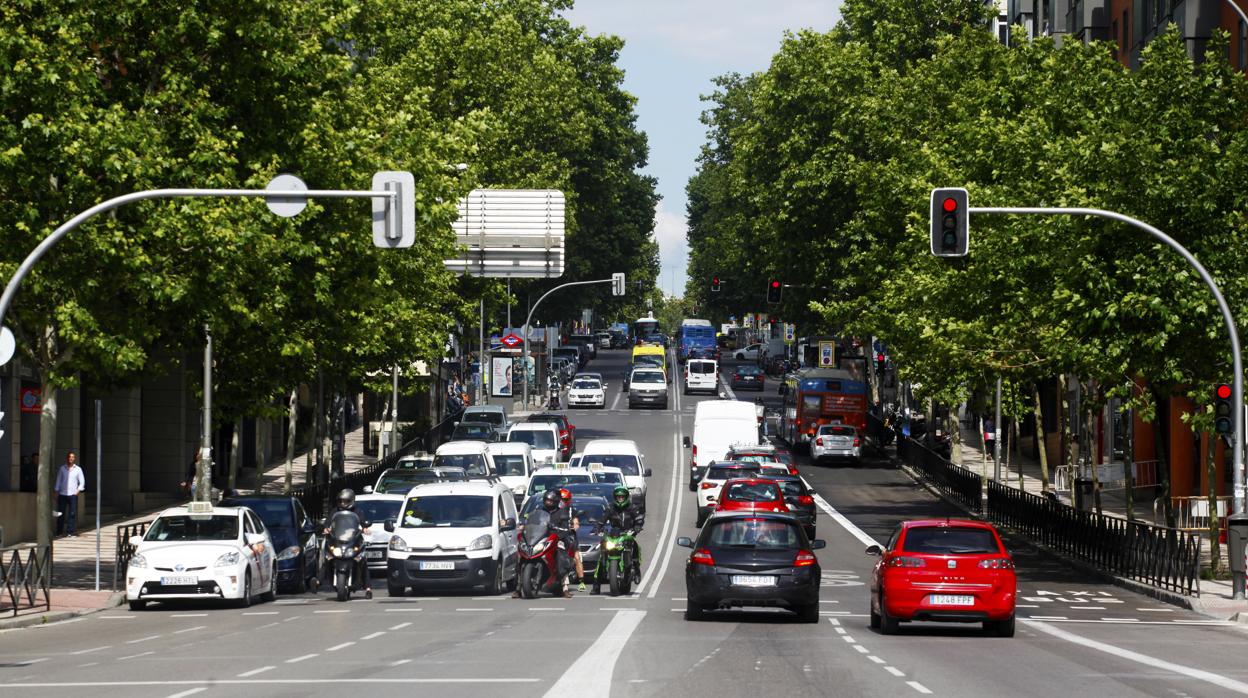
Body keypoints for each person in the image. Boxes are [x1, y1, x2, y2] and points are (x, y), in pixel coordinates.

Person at [592, 486, 644, 595]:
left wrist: (637, 526)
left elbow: (639, 518)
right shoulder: (610, 508)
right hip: (614, 534)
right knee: (602, 555)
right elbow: (601, 521)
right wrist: (597, 528)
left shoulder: (632, 508)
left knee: (634, 545)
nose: (620, 499)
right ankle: (596, 586)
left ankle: (637, 569)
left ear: (626, 497)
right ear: (615, 497)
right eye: (618, 497)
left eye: (622, 497)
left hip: (628, 533)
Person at [323, 488, 372, 599]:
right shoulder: (335, 511)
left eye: (346, 501)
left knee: (362, 560)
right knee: (327, 557)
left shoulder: (357, 511)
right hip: (338, 541)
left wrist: (365, 528)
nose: (342, 503)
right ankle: (318, 581)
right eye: (340, 501)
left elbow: (363, 522)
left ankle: (368, 588)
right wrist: (326, 528)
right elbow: (328, 522)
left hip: (353, 540)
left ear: (352, 501)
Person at [550, 488, 583, 596]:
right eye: (560, 499)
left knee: (568, 558)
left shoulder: (570, 510)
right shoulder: (550, 509)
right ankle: (520, 586)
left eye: (564, 499)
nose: (562, 501)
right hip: (551, 537)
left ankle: (574, 584)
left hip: (566, 537)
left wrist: (574, 526)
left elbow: (576, 522)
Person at [55, 451, 85, 537]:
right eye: (69, 457)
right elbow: (59, 480)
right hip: (62, 494)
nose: (71, 458)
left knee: (72, 514)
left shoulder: (78, 469)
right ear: (67, 458)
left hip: (73, 495)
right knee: (61, 513)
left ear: (74, 459)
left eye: (72, 457)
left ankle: (70, 532)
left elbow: (82, 482)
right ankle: (59, 532)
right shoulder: (62, 468)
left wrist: (77, 492)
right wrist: (56, 491)